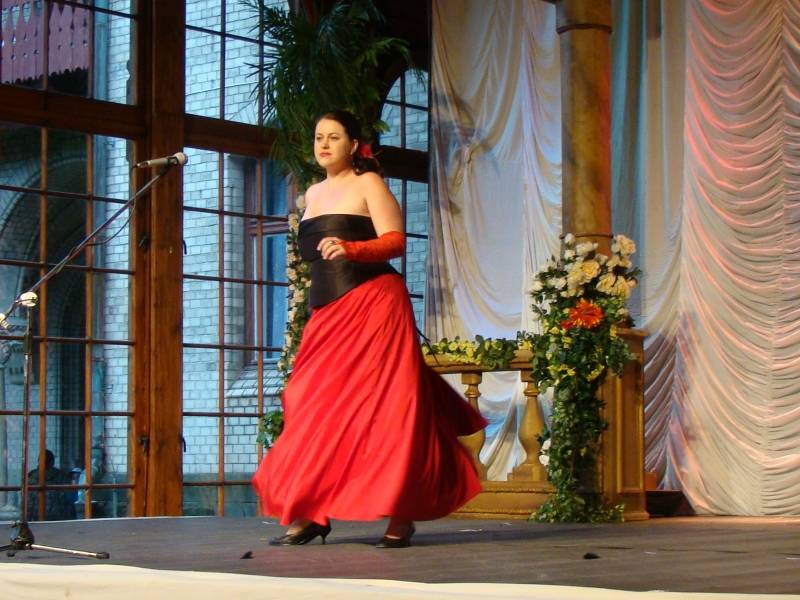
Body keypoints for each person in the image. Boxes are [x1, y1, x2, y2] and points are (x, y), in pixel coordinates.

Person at [252, 110, 487, 548]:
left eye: (334, 137)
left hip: (375, 304)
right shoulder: (311, 194)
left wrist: (352, 248)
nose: (324, 144)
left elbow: (395, 241)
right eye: (319, 137)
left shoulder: (369, 184)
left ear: (353, 144)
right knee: (306, 401)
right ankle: (313, 509)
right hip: (328, 312)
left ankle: (401, 513)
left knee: (390, 407)